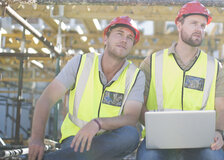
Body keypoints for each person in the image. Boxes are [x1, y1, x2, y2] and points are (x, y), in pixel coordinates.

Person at [28, 16, 145, 160]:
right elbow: (46, 99)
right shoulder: (80, 63)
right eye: (119, 33)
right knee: (82, 154)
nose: (124, 40)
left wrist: (98, 123)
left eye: (130, 38)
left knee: (131, 135)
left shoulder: (135, 75)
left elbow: (131, 118)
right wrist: (36, 139)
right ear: (105, 39)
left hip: (109, 142)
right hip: (76, 138)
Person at [136, 1, 224, 160]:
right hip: (160, 141)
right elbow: (138, 105)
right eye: (193, 23)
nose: (198, 29)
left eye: (202, 25)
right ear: (179, 25)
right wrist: (158, 129)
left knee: (214, 157)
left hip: (201, 142)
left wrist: (219, 132)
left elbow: (223, 110)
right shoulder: (152, 62)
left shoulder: (214, 67)